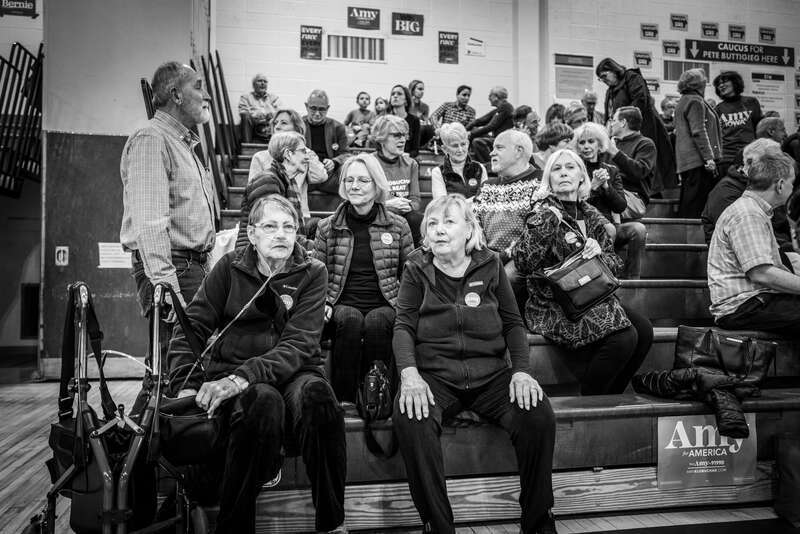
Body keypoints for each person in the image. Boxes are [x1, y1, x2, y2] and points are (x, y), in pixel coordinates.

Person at [166, 194, 346, 534]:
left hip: (295, 372)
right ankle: (234, 525)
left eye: (288, 227)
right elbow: (191, 327)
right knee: (261, 402)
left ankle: (332, 523)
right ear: (252, 233)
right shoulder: (230, 266)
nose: (281, 235)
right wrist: (183, 383)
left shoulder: (313, 272)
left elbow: (298, 345)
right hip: (237, 371)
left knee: (320, 401)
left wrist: (241, 378)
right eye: (271, 226)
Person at [393, 194, 557, 534]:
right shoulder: (415, 267)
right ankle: (437, 526)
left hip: (491, 375)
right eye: (432, 224)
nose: (439, 230)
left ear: (469, 229)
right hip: (436, 376)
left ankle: (538, 522)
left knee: (538, 413)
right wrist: (410, 376)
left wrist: (521, 372)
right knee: (411, 415)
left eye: (449, 222)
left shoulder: (490, 263)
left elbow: (513, 323)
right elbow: (403, 327)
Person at [512, 149, 653, 395]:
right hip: (554, 302)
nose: (564, 172)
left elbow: (614, 262)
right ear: (549, 180)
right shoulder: (542, 212)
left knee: (644, 330)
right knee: (624, 337)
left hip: (591, 294)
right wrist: (547, 222)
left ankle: (610, 398)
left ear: (581, 177)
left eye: (570, 167)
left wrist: (597, 252)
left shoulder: (591, 214)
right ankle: (590, 400)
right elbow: (523, 261)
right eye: (556, 169)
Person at [120, 61, 218, 359]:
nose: (207, 96)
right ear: (176, 95)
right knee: (174, 370)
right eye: (199, 86)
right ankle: (154, 408)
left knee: (186, 366)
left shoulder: (183, 144)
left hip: (193, 266)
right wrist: (167, 287)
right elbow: (150, 223)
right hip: (175, 268)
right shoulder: (152, 139)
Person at [314, 154, 413, 402]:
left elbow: (411, 274)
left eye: (362, 180)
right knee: (350, 320)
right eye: (349, 180)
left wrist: (407, 307)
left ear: (376, 184)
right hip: (341, 302)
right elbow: (317, 274)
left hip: (386, 302)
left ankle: (376, 395)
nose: (354, 186)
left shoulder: (398, 225)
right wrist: (324, 302)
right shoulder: (327, 226)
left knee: (378, 322)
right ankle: (344, 398)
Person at [708, 152, 800, 336]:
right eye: (792, 183)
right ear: (780, 185)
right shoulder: (748, 214)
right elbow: (761, 273)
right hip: (742, 306)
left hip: (754, 302)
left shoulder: (753, 210)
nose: (792, 189)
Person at [473, 129, 542, 311]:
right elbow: (474, 224)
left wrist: (503, 256)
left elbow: (536, 233)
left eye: (499, 148)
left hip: (523, 259)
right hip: (487, 256)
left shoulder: (541, 182)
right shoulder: (487, 186)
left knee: (506, 278)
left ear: (519, 151)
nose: (491, 153)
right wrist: (483, 255)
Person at [573, 122, 646, 279]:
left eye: (591, 141)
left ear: (599, 145)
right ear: (577, 146)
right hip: (582, 227)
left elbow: (620, 206)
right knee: (607, 229)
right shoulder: (574, 169)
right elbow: (574, 204)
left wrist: (606, 187)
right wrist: (592, 187)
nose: (586, 146)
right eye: (582, 142)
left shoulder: (611, 170)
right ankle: (604, 278)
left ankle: (633, 279)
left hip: (611, 225)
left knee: (638, 229)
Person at [596, 57, 677, 192]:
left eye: (604, 76)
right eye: (601, 79)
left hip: (641, 129)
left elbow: (639, 102)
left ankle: (652, 192)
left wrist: (625, 123)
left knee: (644, 166)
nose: (604, 80)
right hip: (623, 132)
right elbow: (608, 112)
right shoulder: (611, 90)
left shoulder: (632, 78)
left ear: (614, 70)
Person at [248, 109, 327, 224]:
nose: (277, 127)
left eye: (283, 123)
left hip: (300, 215)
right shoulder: (260, 157)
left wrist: (303, 151)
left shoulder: (304, 155)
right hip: (269, 216)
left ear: (296, 129)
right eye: (275, 123)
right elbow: (253, 192)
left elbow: (320, 177)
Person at [701, 138, 785, 244]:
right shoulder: (726, 193)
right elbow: (746, 239)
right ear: (752, 163)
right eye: (773, 164)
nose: (780, 169)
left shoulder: (765, 187)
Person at [236, 132, 309, 248]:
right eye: (303, 151)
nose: (307, 157)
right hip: (256, 256)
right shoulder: (268, 181)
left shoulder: (286, 181)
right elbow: (272, 229)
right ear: (288, 154)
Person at [674, 68, 723, 218]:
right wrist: (709, 158)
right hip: (698, 160)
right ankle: (691, 237)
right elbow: (698, 132)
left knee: (689, 200)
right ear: (700, 84)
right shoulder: (695, 101)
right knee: (695, 203)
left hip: (688, 160)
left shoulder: (684, 100)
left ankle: (685, 235)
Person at [372, 114, 423, 245]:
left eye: (404, 135)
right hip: (377, 215)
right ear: (381, 138)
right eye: (396, 135)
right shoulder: (368, 163)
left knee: (416, 219)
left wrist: (408, 205)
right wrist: (387, 204)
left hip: (404, 216)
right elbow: (361, 202)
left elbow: (416, 200)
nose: (403, 140)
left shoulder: (411, 164)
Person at [713, 71, 763, 179]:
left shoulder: (751, 102)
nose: (721, 85)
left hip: (749, 155)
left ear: (735, 82)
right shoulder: (718, 109)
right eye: (718, 84)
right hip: (726, 158)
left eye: (724, 81)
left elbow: (758, 127)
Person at [303, 89, 350, 194]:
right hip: (306, 176)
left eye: (322, 109)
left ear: (328, 108)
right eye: (313, 108)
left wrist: (334, 162)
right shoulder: (299, 126)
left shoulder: (338, 127)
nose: (317, 113)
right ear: (306, 106)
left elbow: (346, 154)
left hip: (330, 177)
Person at [430, 122, 488, 200]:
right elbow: (442, 205)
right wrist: (474, 200)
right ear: (445, 149)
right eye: (455, 146)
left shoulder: (480, 168)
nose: (460, 150)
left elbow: (485, 201)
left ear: (468, 144)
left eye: (463, 144)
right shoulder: (438, 172)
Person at [466, 86, 514, 164]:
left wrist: (471, 133)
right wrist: (464, 129)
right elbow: (480, 121)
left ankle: (490, 165)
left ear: (496, 97)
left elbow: (491, 126)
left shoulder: (506, 107)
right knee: (475, 131)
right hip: (497, 139)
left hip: (503, 141)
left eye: (490, 95)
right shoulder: (499, 108)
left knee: (477, 141)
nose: (488, 98)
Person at [238, 73, 284, 142]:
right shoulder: (246, 97)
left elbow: (280, 111)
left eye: (265, 81)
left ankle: (276, 145)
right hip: (253, 125)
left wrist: (272, 114)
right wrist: (256, 114)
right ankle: (247, 147)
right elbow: (243, 112)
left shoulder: (273, 98)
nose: (263, 83)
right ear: (253, 85)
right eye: (259, 81)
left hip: (269, 124)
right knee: (245, 116)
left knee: (282, 118)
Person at [389, 84, 421, 158]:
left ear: (406, 100)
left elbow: (415, 150)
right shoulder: (385, 120)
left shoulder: (414, 120)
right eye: (393, 94)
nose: (395, 96)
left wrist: (407, 155)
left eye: (399, 94)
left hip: (405, 158)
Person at [409, 79, 435, 147]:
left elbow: (426, 122)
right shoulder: (405, 104)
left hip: (419, 131)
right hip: (407, 130)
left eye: (423, 89)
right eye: (420, 89)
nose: (422, 92)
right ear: (412, 90)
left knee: (429, 128)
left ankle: (423, 146)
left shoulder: (425, 107)